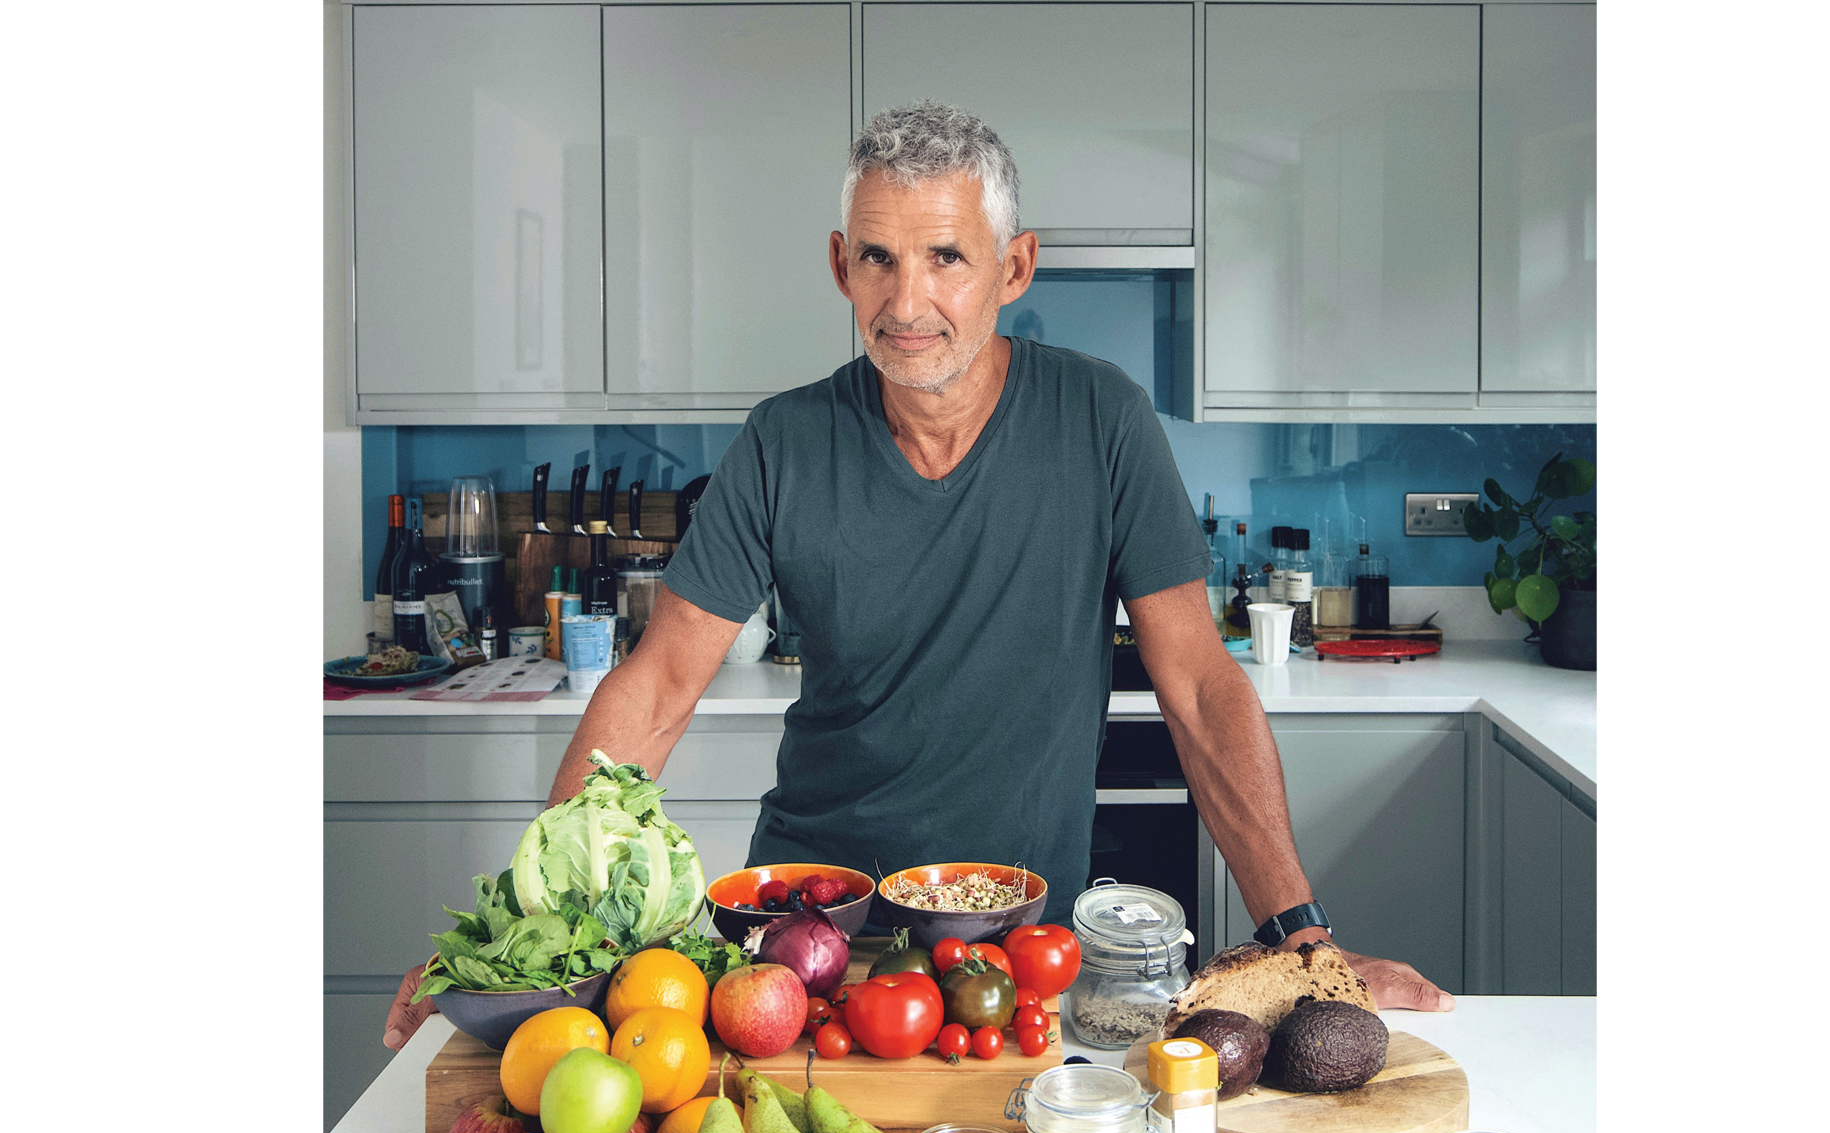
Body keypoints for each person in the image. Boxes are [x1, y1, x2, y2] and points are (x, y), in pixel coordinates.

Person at [385, 102, 1450, 1050]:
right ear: (842, 266)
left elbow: (1202, 690)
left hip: (1014, 954)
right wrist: (533, 933)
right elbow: (657, 686)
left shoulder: (1102, 419)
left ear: (1014, 268)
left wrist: (1304, 941)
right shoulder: (782, 442)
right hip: (807, 934)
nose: (908, 300)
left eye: (946, 256)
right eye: (880, 259)